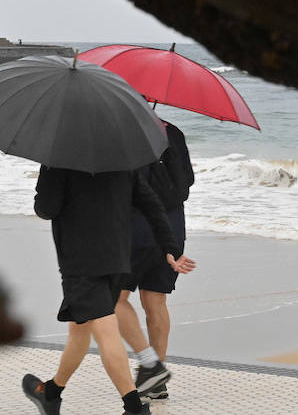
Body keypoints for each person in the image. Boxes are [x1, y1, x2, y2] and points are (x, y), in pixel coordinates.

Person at [22, 166, 195, 415]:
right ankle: (51, 392)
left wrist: (45, 183)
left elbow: (47, 208)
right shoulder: (120, 156)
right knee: (80, 326)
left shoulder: (60, 159)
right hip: (118, 257)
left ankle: (135, 408)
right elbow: (151, 204)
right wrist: (170, 246)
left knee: (104, 329)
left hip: (81, 261)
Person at [115, 117, 194, 401]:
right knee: (156, 301)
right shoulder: (173, 131)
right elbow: (188, 182)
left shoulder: (123, 132)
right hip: (172, 228)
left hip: (134, 228)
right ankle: (156, 382)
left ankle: (150, 364)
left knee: (114, 299)